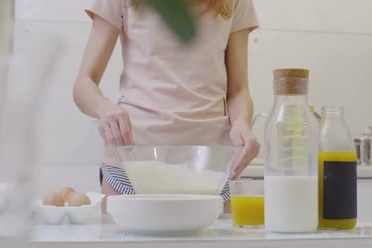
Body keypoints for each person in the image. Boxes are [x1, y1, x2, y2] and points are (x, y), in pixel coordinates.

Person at [73, 0, 260, 213]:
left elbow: (238, 91)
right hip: (131, 164)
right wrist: (105, 109)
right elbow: (84, 83)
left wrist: (242, 122)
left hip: (210, 169)